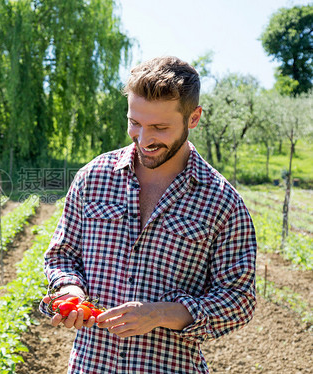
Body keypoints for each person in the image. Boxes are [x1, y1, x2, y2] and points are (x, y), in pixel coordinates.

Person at [40, 56, 257, 373]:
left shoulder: (221, 201)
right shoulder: (94, 178)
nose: (144, 139)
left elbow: (239, 301)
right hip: (91, 365)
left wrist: (162, 313)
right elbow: (63, 254)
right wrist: (69, 290)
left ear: (193, 118)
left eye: (159, 127)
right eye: (135, 123)